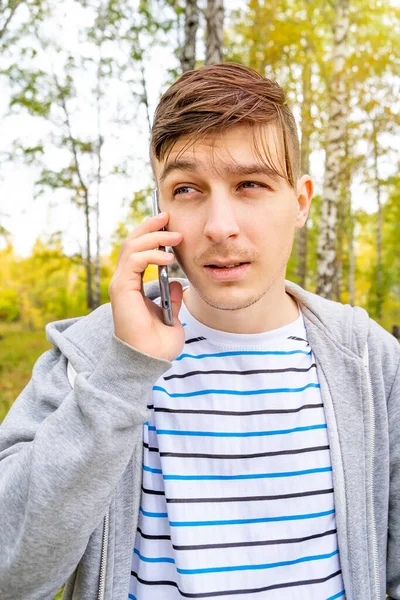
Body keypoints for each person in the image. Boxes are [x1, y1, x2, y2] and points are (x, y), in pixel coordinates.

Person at [0, 63, 399, 600]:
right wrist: (123, 374)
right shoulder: (94, 355)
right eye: (188, 188)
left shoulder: (371, 360)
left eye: (250, 184)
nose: (218, 226)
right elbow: (12, 571)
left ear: (300, 201)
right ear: (161, 211)